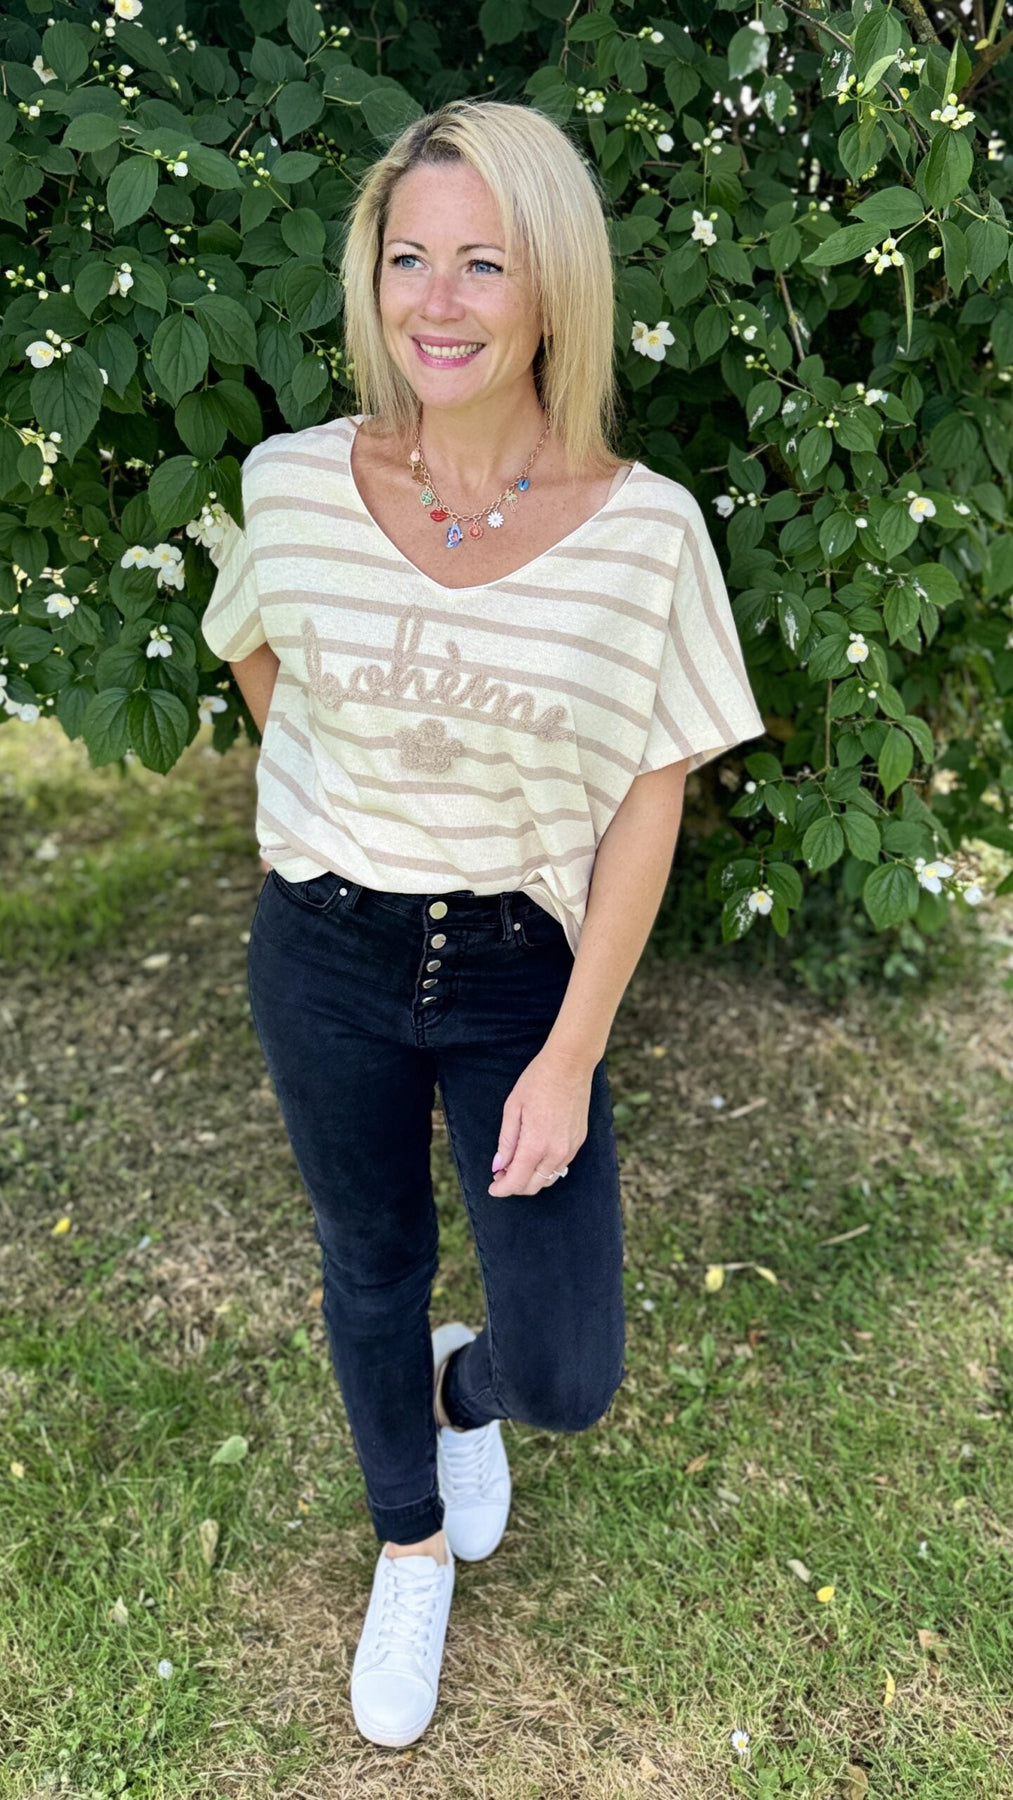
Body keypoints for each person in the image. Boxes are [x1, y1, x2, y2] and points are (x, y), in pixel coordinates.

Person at [200, 97, 764, 1749]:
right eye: (408, 260)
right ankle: (410, 1543)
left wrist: (572, 1052)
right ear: (369, 276)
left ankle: (467, 1394)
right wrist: (343, 800)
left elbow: (651, 791)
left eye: (483, 264)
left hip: (519, 970)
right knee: (367, 1262)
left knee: (567, 1369)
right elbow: (258, 652)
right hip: (323, 952)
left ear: (551, 290)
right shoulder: (292, 485)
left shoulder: (644, 530)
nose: (436, 303)